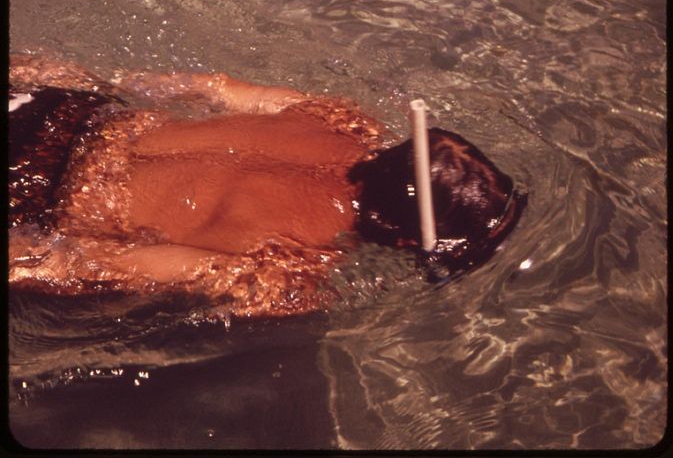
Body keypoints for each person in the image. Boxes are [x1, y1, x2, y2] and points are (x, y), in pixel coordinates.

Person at [9, 53, 526, 319]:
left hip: (59, 106)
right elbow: (75, 262)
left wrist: (65, 76)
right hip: (25, 188)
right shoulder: (284, 271)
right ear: (408, 242)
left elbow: (208, 87)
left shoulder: (343, 120)